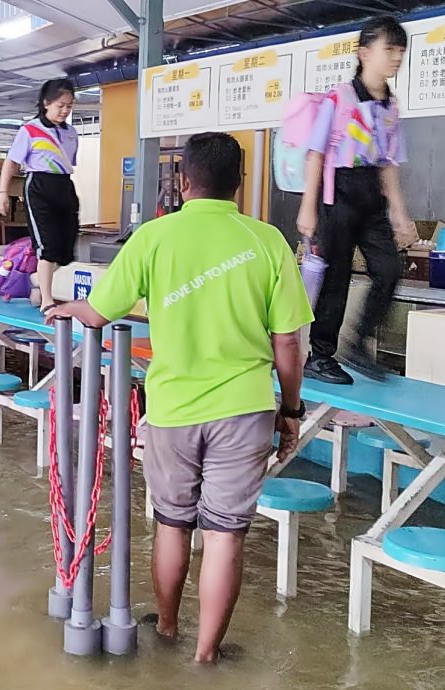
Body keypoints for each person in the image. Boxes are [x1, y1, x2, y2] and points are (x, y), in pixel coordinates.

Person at [46, 132, 312, 664]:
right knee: (225, 536)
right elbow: (288, 341)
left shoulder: (153, 237)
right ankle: (206, 655)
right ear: (238, 185)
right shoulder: (268, 241)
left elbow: (100, 311)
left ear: (182, 182)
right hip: (244, 409)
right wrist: (290, 408)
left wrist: (70, 310)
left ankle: (166, 626)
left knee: (172, 524)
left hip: (171, 409)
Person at [299, 16, 409, 384]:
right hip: (339, 193)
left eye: (400, 51)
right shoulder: (339, 98)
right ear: (364, 53)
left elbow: (389, 163)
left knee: (390, 270)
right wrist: (307, 208)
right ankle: (321, 355)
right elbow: (315, 153)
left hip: (371, 197)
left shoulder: (391, 107)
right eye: (389, 49)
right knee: (337, 278)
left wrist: (400, 213)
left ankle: (358, 343)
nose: (396, 57)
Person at [0, 79, 79, 313]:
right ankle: (47, 300)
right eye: (60, 105)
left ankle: (33, 281)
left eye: (69, 106)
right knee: (47, 247)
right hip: (39, 186)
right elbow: (11, 162)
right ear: (46, 103)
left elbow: (68, 163)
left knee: (65, 253)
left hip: (64, 185)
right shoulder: (30, 129)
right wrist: (3, 193)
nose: (65, 111)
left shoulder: (71, 133)